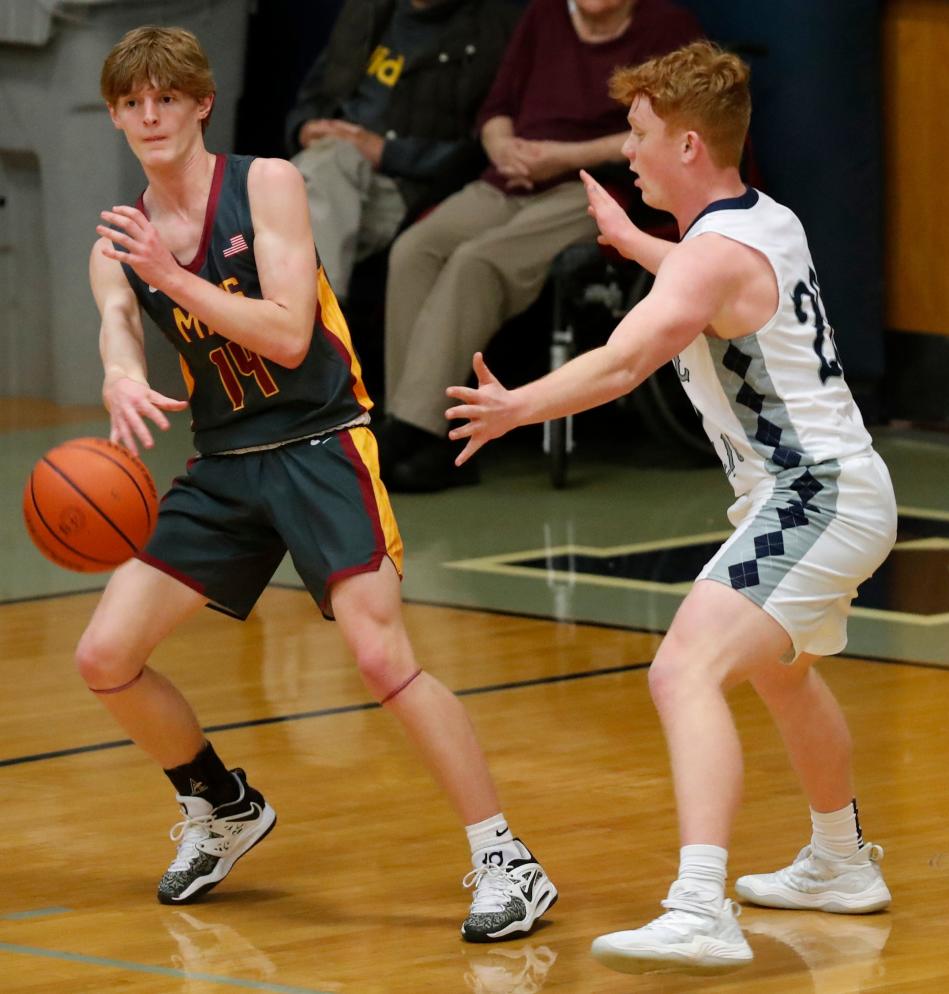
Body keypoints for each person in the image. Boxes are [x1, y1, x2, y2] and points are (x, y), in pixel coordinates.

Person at [78, 25, 556, 943]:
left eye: (168, 98)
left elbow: (290, 334)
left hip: (321, 442)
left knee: (382, 658)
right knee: (104, 656)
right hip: (223, 465)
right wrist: (118, 375)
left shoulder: (267, 184)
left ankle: (506, 858)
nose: (151, 115)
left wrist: (172, 277)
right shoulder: (122, 242)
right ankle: (222, 806)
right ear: (113, 115)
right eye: (133, 102)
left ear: (201, 103)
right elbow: (116, 322)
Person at [445, 40, 897, 970]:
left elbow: (623, 361)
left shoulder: (707, 262)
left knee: (680, 669)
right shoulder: (766, 220)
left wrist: (514, 406)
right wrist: (636, 243)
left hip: (814, 496)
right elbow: (709, 282)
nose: (629, 150)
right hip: (836, 489)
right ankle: (842, 863)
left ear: (689, 147)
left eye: (641, 133)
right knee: (780, 670)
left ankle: (700, 905)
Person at [378, 0, 702, 492]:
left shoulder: (666, 26)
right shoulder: (544, 16)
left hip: (591, 184)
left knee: (477, 262)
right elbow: (496, 109)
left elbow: (668, 133)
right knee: (415, 248)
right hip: (511, 177)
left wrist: (563, 157)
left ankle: (409, 433)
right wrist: (502, 148)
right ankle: (427, 431)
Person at [284, 0, 520, 300]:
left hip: (403, 190)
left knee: (280, 213)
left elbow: (477, 155)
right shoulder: (367, 10)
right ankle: (312, 330)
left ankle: (304, 328)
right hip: (328, 170)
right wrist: (305, 128)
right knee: (314, 175)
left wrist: (386, 151)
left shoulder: (495, 28)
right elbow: (314, 99)